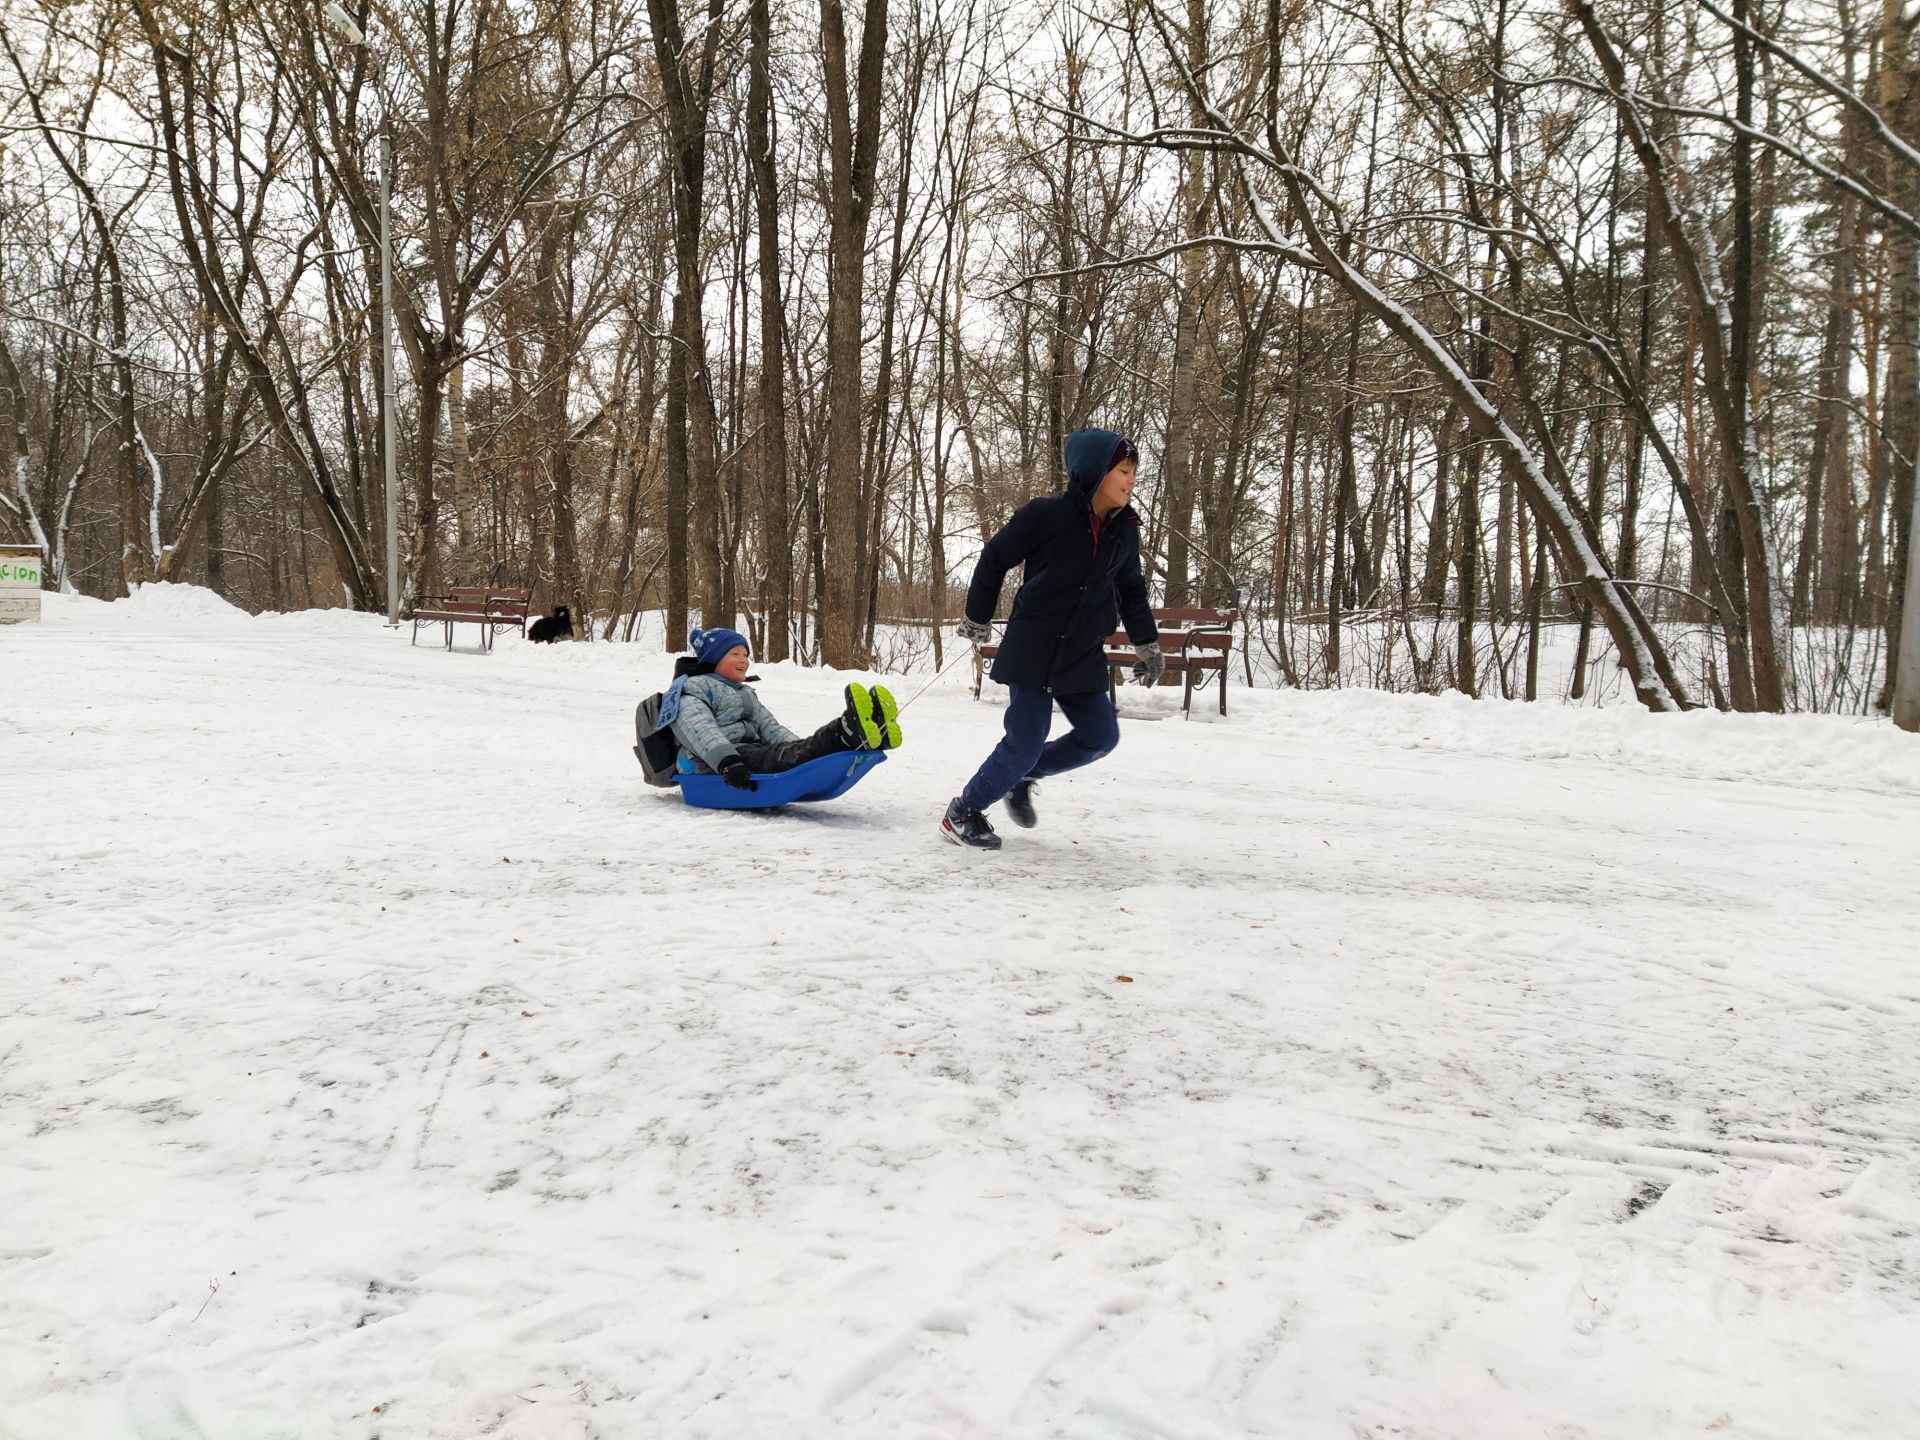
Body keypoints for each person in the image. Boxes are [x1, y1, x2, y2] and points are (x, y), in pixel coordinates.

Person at [942, 429, 1162, 848]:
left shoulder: (1124, 530)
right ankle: (963, 811)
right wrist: (977, 616)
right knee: (1025, 741)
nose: (1131, 480)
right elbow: (994, 559)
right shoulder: (1045, 516)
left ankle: (1023, 774)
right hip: (1035, 646)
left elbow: (1131, 588)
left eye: (1133, 472)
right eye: (1123, 471)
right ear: (1096, 472)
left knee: (1100, 737)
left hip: (1081, 651)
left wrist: (1146, 643)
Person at [662, 628, 902, 792]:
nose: (743, 660)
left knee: (792, 752)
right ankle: (846, 730)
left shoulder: (743, 692)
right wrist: (728, 762)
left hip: (749, 753)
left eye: (745, 654)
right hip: (716, 761)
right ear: (713, 660)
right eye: (734, 654)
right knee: (779, 757)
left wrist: (803, 751)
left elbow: (769, 727)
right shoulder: (691, 688)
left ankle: (866, 736)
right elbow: (698, 728)